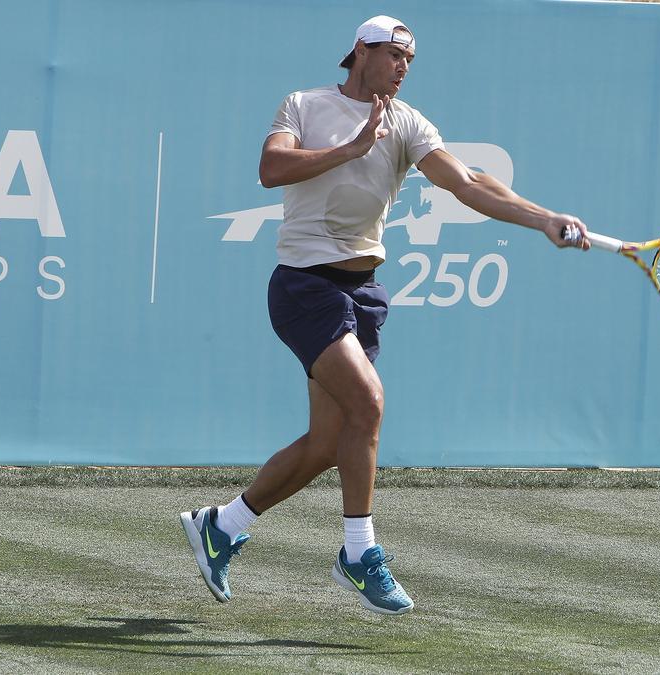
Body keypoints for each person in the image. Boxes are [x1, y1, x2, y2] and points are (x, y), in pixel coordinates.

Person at [179, 14, 590, 616]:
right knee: (368, 404)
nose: (403, 66)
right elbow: (272, 170)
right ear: (360, 52)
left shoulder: (408, 122)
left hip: (362, 291)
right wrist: (352, 148)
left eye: (410, 60)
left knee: (328, 441)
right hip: (303, 287)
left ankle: (222, 524)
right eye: (395, 54)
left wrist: (543, 218)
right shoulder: (303, 104)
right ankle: (358, 553)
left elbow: (470, 183)